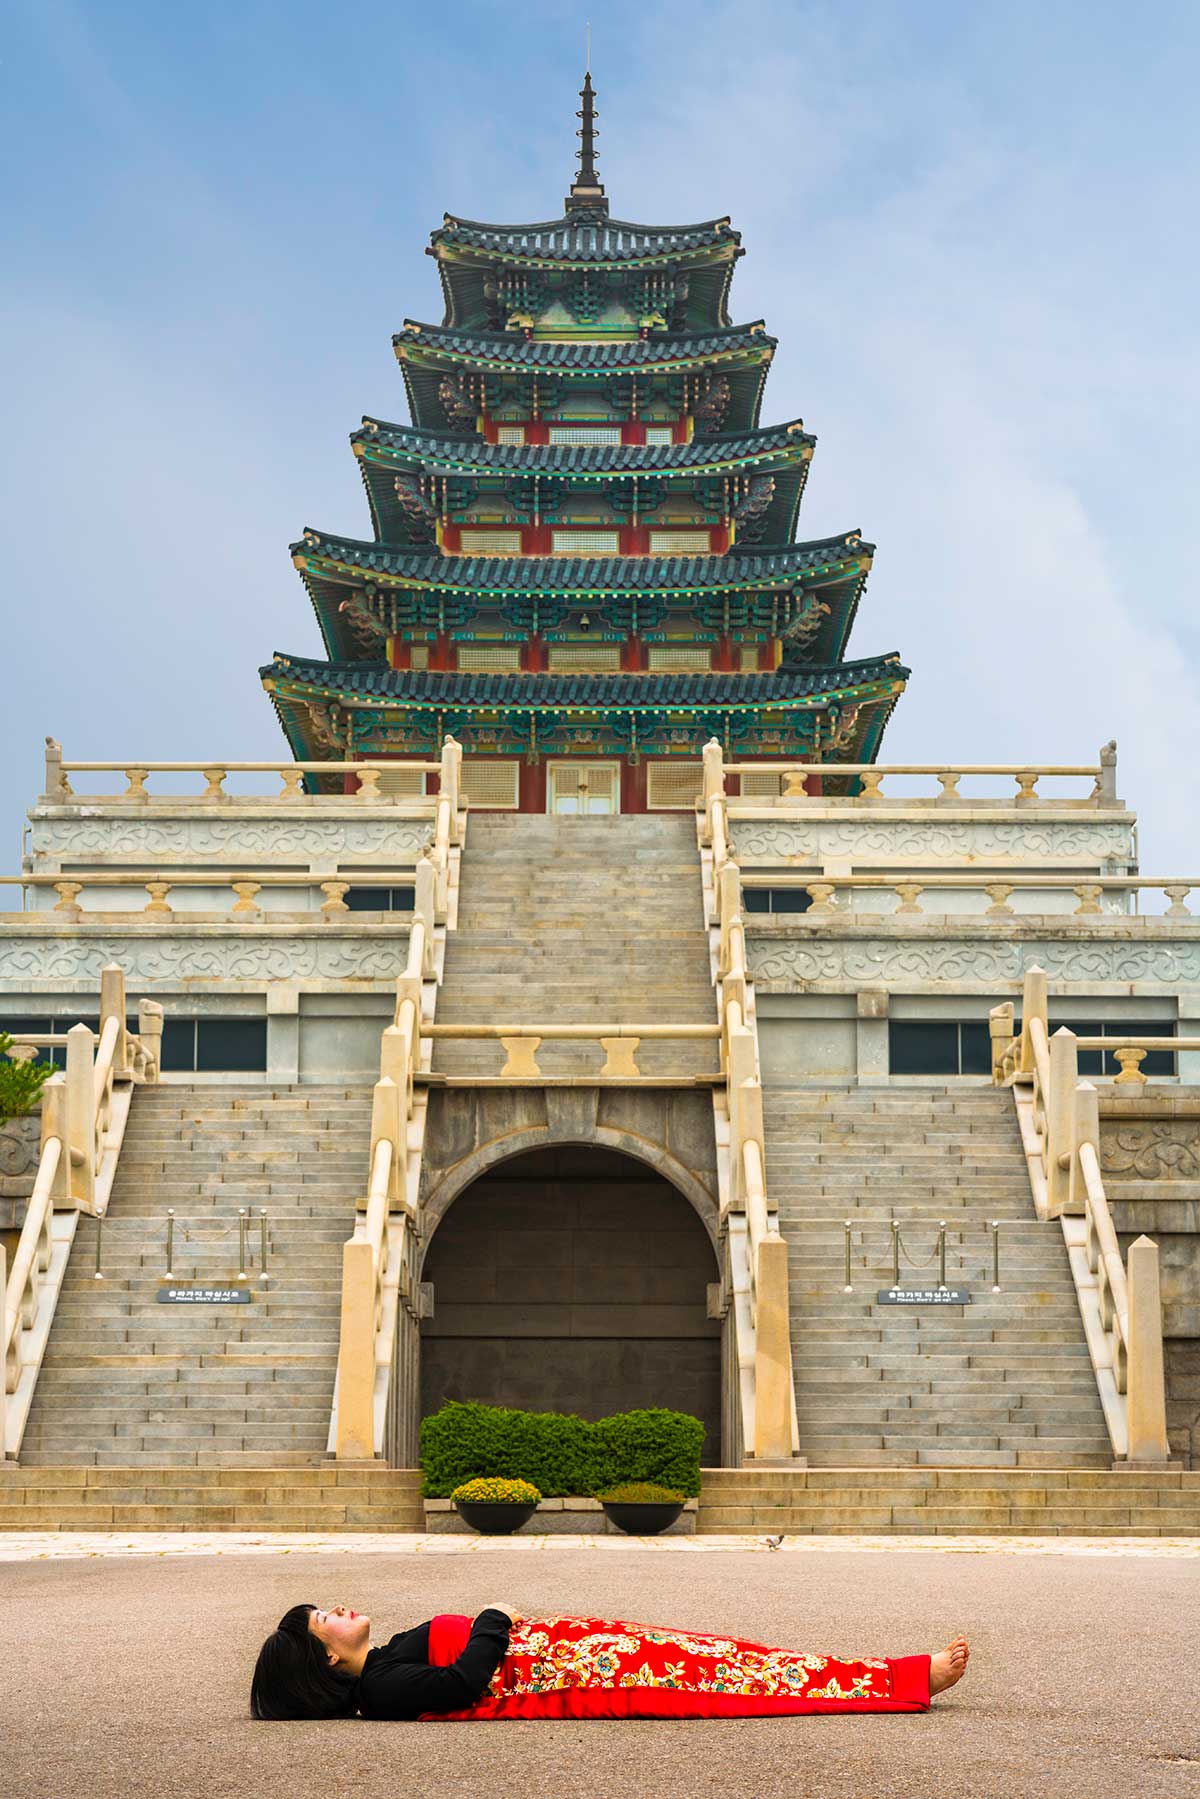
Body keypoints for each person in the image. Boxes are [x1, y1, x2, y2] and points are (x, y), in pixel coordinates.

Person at [250, 1599, 969, 1722]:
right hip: (597, 1672)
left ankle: (893, 1673)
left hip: (588, 1651)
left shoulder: (382, 1662)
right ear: (328, 1659)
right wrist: (494, 1617)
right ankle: (903, 1678)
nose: (339, 1607)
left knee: (733, 1658)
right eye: (325, 1618)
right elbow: (465, 1683)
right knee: (736, 1678)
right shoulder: (382, 1684)